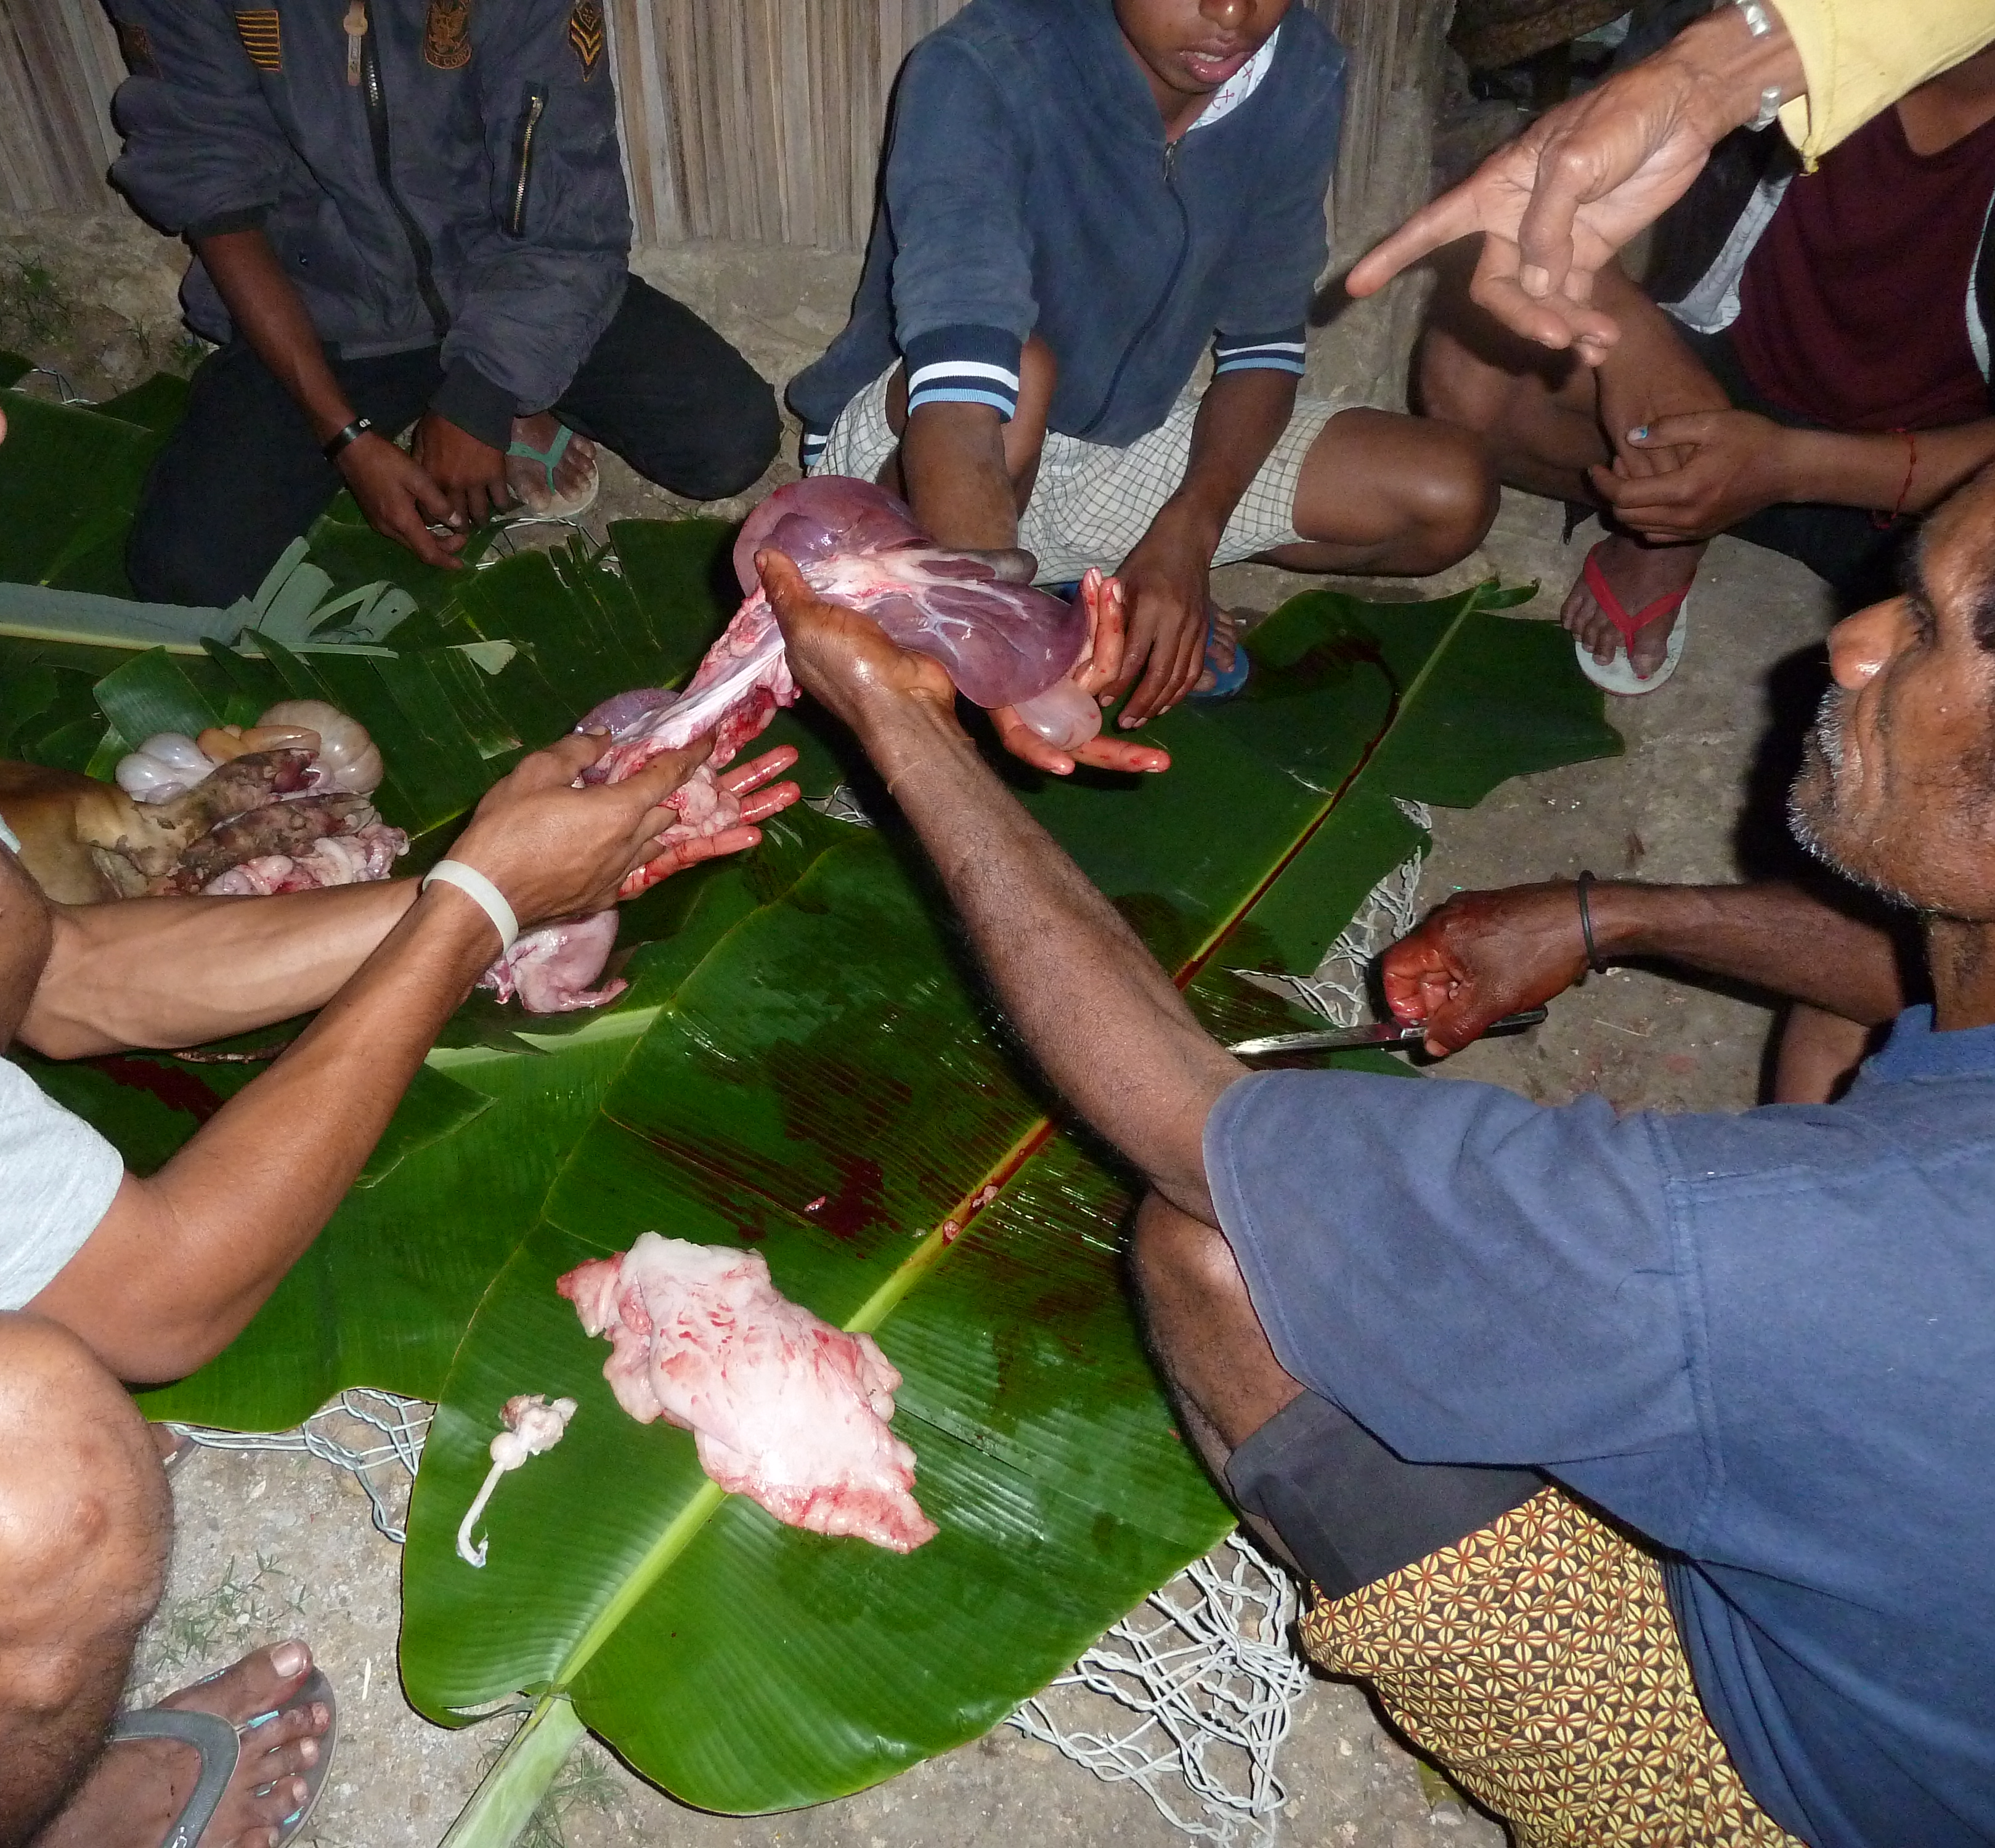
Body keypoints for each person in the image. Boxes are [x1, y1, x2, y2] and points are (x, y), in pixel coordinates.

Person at [0, 6, 788, 1842]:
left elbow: (70, 973)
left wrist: (501, 885)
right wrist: (474, 909)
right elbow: (169, 1296)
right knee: (32, 1468)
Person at [757, 460, 1995, 1839]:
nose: (1850, 640)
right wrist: (1609, 916)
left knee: (1225, 1248)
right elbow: (1942, 964)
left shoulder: (1771, 1247)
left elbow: (1189, 1125)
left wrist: (899, 722)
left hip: (1825, 1805)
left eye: (1939, 627)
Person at [785, 0, 1498, 755]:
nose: (1231, 13)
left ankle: (1092, 587)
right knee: (1024, 371)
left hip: (1113, 449)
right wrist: (1009, 650)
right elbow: (960, 397)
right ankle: (1011, 613)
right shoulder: (985, 68)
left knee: (1448, 493)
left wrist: (1188, 532)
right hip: (916, 458)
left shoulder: (1296, 71)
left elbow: (1263, 346)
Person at [102, 0, 781, 597]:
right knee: (184, 573)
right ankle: (461, 399)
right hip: (327, 307)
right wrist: (343, 435)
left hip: (500, 277)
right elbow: (212, 189)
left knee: (726, 441)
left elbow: (568, 218)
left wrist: (481, 398)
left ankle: (524, 394)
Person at [1420, 44, 1995, 691]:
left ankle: (1696, 497)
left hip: (1921, 477)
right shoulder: (1780, 27)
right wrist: (1631, 334)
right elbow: (1562, 170)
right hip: (1724, 367)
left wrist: (1794, 468)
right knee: (1475, 369)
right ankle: (1674, 516)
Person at [1351, 0, 1995, 359]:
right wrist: (1706, 81)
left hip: (1895, 467)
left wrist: (1791, 464)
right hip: (1728, 342)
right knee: (1471, 357)